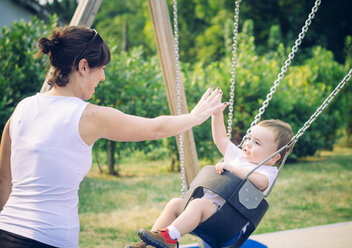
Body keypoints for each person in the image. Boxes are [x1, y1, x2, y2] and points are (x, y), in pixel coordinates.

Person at [0, 26, 227, 248]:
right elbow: (155, 128)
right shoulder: (87, 116)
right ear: (83, 66)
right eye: (102, 68)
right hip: (47, 239)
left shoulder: (22, 108)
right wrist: (196, 117)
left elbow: (3, 180)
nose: (104, 77)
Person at [126, 106, 293, 248]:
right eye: (249, 137)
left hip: (228, 223)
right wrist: (217, 114)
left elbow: (262, 183)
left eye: (257, 143)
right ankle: (153, 243)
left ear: (274, 157)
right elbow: (220, 139)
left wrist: (233, 169)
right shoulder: (238, 156)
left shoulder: (268, 171)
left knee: (198, 204)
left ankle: (170, 237)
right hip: (210, 212)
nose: (248, 143)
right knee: (175, 204)